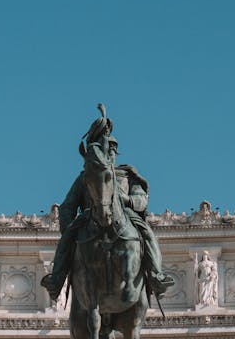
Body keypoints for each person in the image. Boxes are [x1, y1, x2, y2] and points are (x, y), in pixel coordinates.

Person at [41, 110, 174, 301]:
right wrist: (68, 228)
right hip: (90, 218)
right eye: (107, 149)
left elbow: (141, 200)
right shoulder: (86, 178)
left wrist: (125, 200)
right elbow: (68, 206)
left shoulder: (127, 175)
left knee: (148, 234)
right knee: (68, 239)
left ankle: (156, 275)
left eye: (112, 150)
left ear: (116, 152)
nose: (109, 153)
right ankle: (56, 280)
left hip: (126, 216)